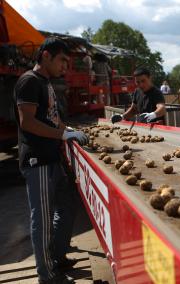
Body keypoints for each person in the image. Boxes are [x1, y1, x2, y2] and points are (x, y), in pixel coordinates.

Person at [14, 37, 88, 284]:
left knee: (66, 208)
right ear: (46, 55)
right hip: (38, 160)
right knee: (43, 218)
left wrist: (70, 131)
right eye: (62, 60)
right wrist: (62, 134)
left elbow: (51, 119)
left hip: (53, 157)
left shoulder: (46, 83)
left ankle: (56, 256)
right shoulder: (28, 81)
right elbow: (28, 122)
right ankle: (46, 274)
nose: (65, 67)